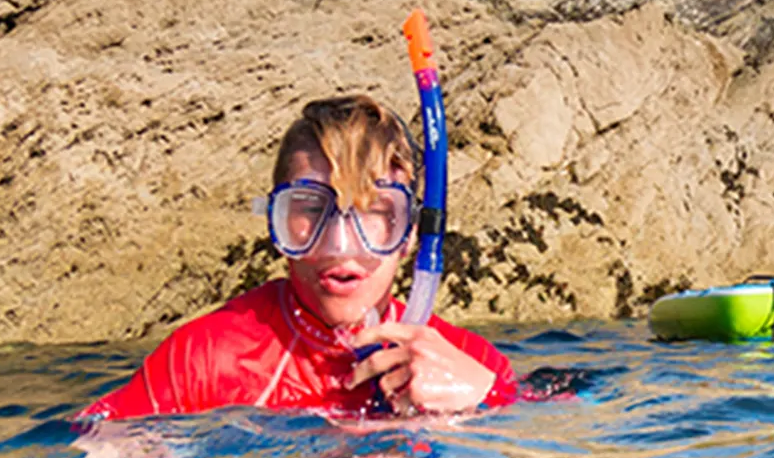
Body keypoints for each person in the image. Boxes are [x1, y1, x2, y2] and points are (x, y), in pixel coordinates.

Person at [86, 96, 518, 419]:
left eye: (373, 213)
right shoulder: (205, 361)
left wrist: (487, 405)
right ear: (275, 221)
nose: (339, 246)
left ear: (410, 234)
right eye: (310, 210)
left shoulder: (477, 365)